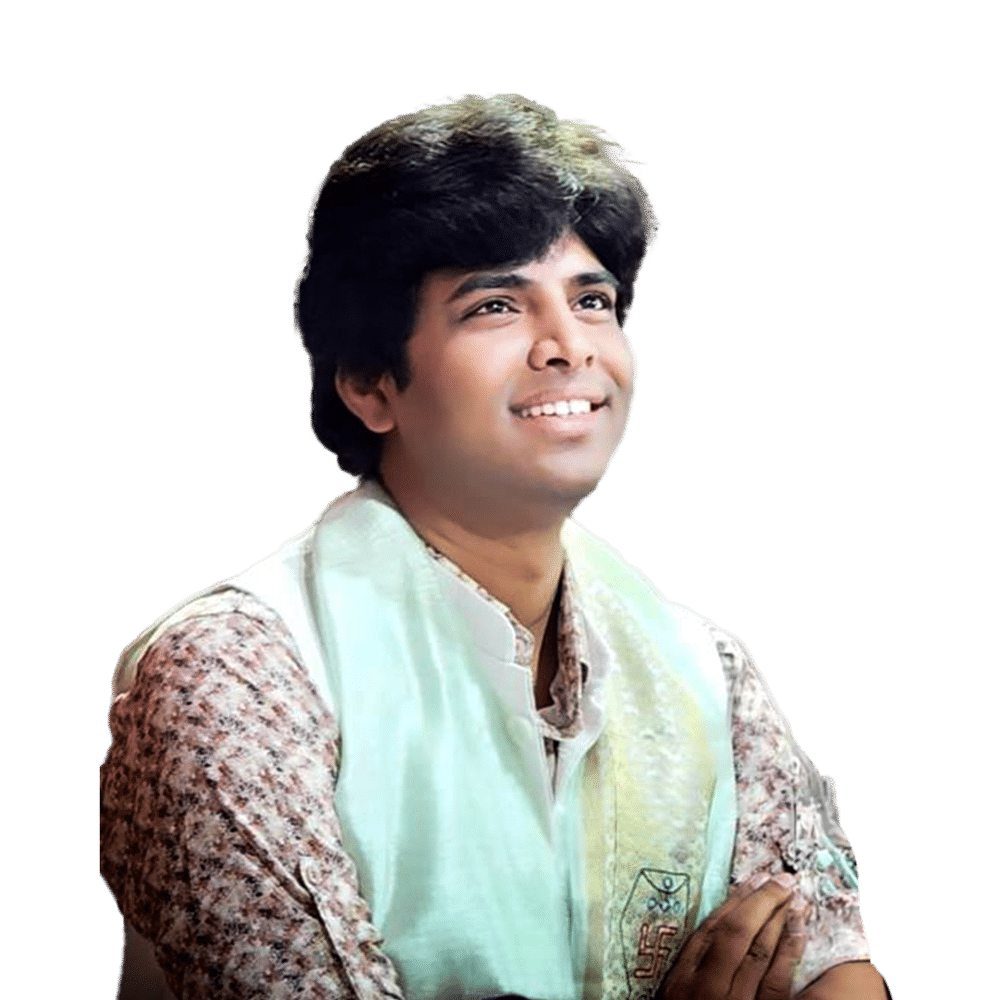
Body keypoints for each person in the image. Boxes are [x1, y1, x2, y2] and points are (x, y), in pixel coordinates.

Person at [100, 93, 890, 1000]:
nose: (568, 347)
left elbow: (833, 971)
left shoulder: (706, 669)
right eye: (495, 306)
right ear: (368, 383)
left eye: (592, 300)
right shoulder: (238, 671)